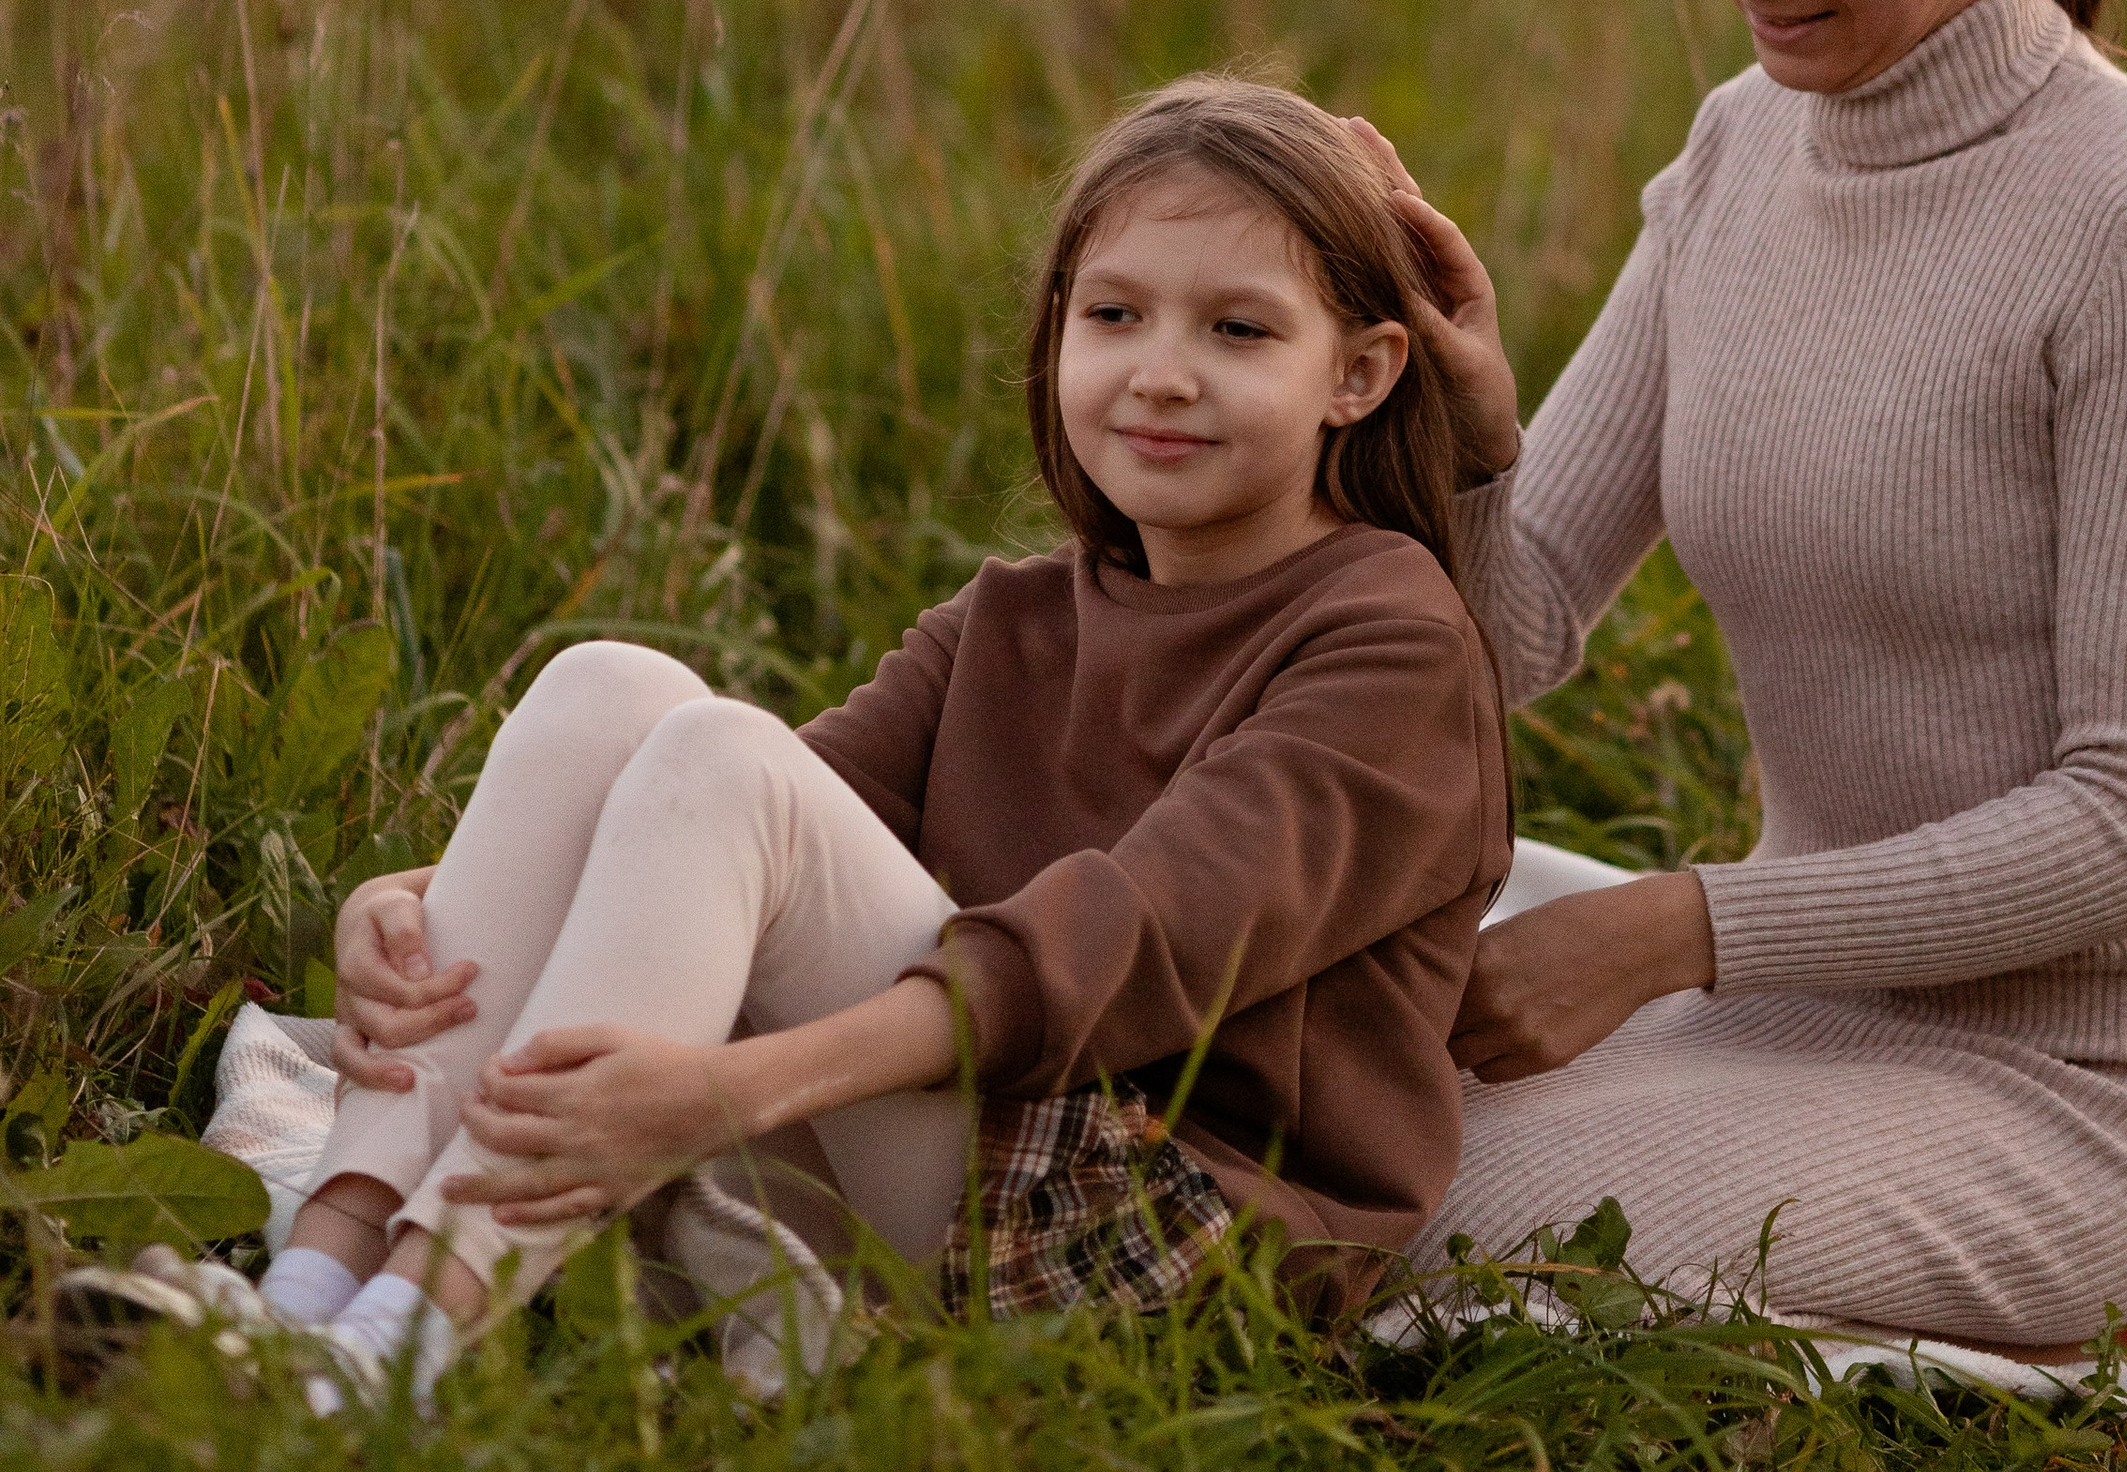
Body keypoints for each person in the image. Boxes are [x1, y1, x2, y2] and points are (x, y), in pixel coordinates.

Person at [1357, 0, 2127, 1360]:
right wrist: (1468, 439)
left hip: (2095, 1081)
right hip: (1802, 999)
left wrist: (1677, 931)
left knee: (1406, 1226)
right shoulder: (1741, 147)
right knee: (1295, 1118)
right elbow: (1518, 620)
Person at [264, 78, 1509, 1403]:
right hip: (957, 1154)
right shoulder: (1017, 614)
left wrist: (725, 1093)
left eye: (1239, 329)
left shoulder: (1394, 648)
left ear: (1358, 373)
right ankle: (304, 1293)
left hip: (1161, 1241)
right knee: (609, 691)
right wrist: (416, 900)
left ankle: (402, 1346)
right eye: (1113, 314)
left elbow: (1129, 939)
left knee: (721, 760)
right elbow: (714, 836)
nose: (1159, 370)